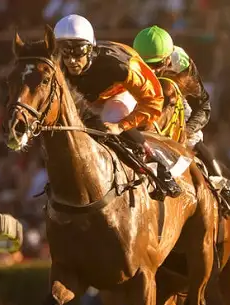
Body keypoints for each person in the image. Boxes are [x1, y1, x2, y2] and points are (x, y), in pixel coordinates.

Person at [53, 14, 181, 198]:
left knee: (108, 120)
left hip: (122, 94)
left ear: (90, 48)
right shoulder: (58, 64)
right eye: (65, 51)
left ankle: (159, 166)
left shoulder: (118, 65)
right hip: (88, 100)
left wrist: (121, 126)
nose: (71, 60)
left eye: (78, 51)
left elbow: (153, 100)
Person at [133, 25, 230, 217]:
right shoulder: (130, 63)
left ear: (168, 58)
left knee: (194, 142)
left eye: (157, 64)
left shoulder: (182, 63)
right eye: (147, 65)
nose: (152, 71)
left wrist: (188, 130)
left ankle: (224, 192)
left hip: (178, 107)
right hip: (143, 108)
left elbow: (204, 105)